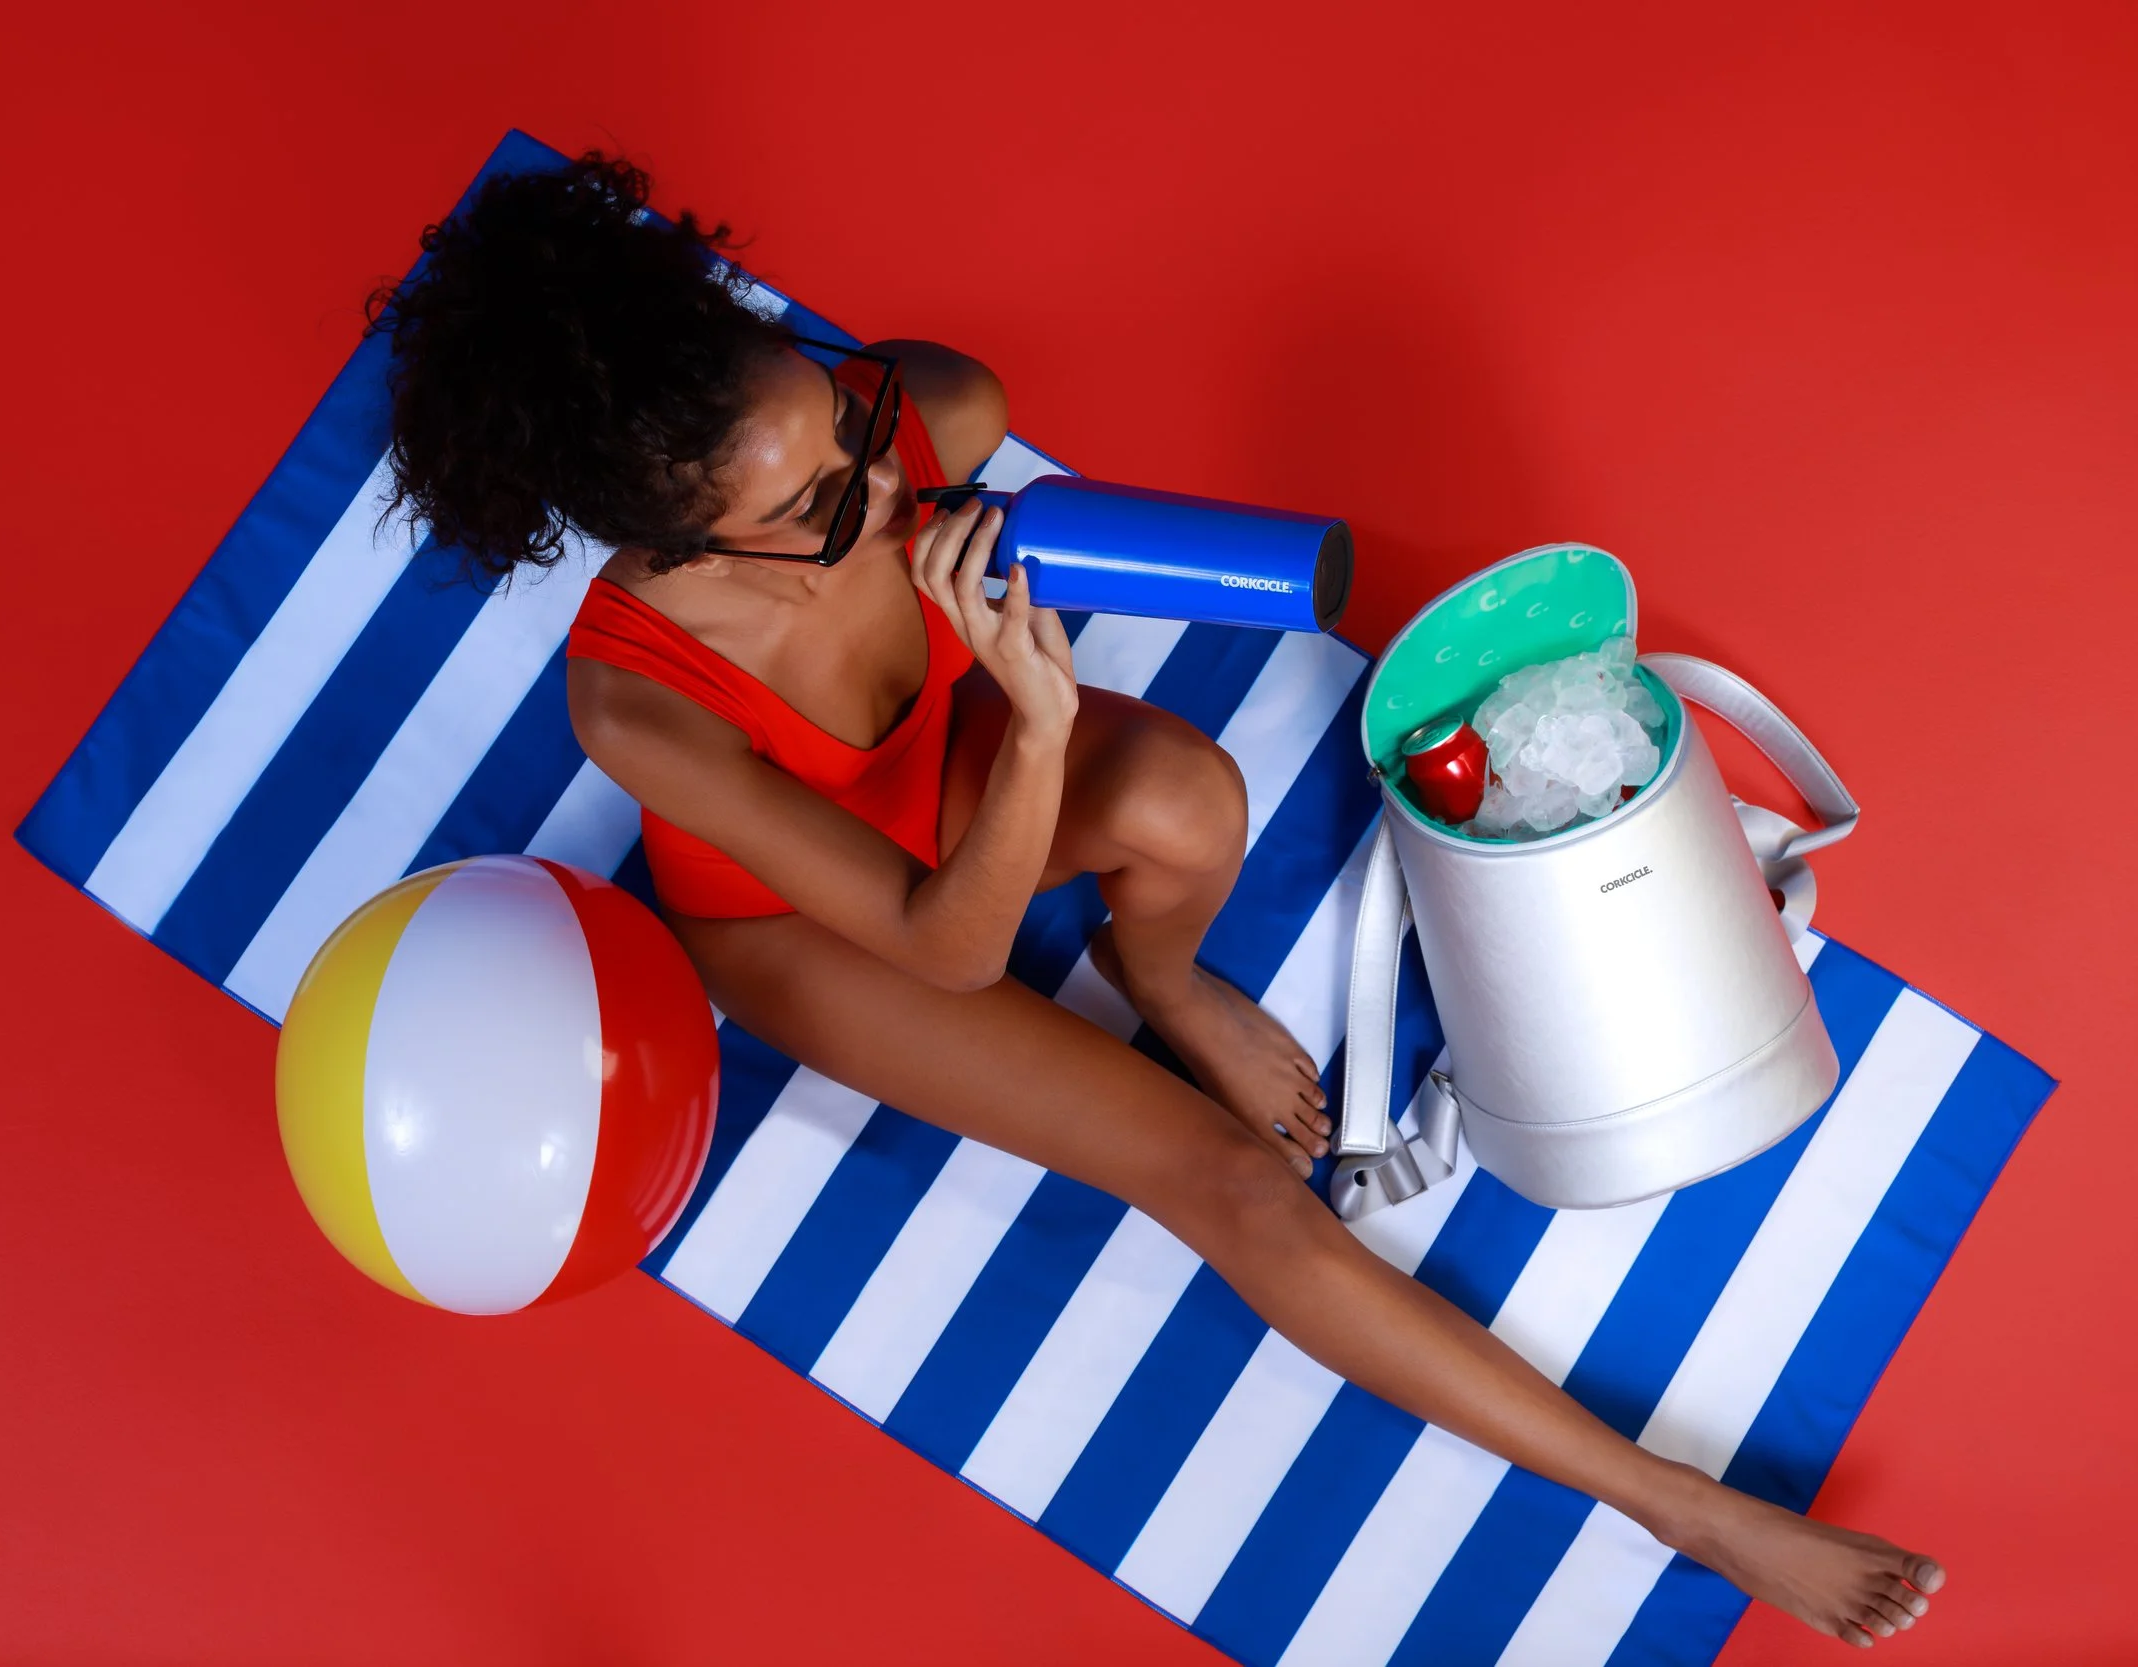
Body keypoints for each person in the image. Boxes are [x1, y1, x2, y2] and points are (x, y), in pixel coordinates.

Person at [372, 152, 1941, 1650]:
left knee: (1192, 799)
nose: (890, 478)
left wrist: (989, 646)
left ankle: (1165, 977)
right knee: (1226, 1183)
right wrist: (1037, 727)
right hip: (817, 932)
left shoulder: (926, 411)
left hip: (947, 782)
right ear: (679, 540)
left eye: (850, 421)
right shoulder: (637, 705)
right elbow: (945, 947)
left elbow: (953, 418)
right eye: (826, 506)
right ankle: (1682, 1506)